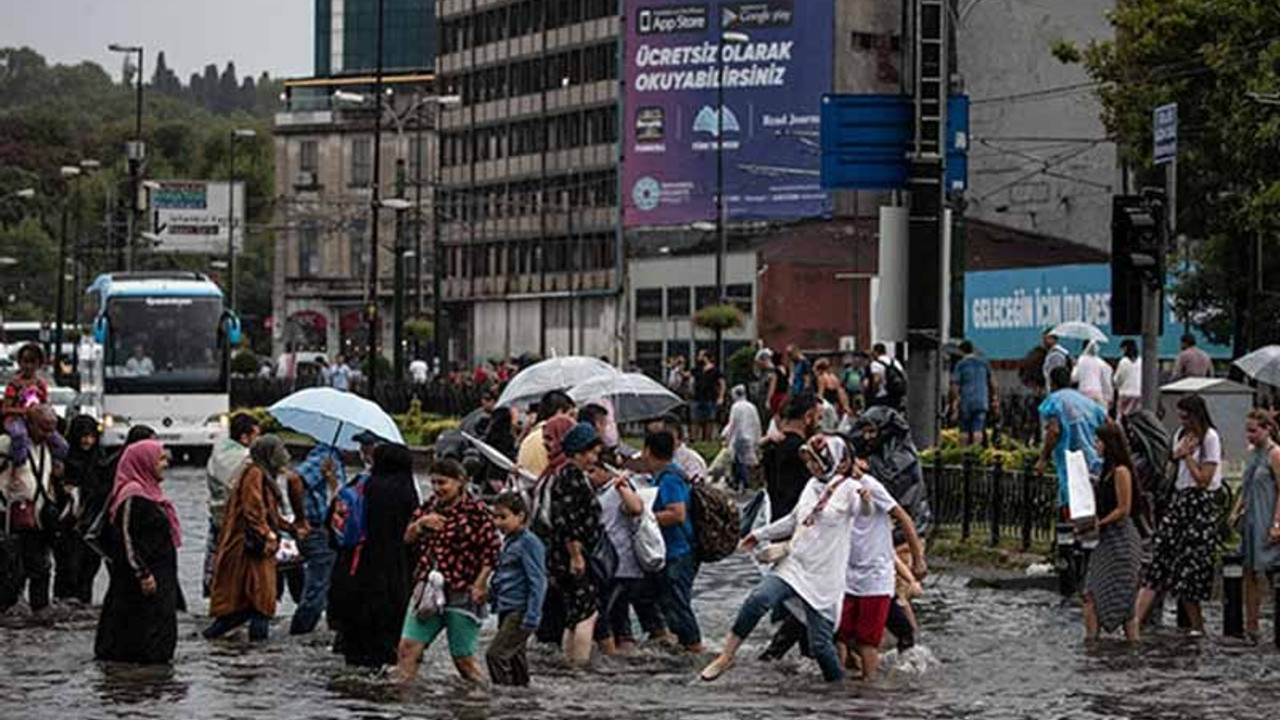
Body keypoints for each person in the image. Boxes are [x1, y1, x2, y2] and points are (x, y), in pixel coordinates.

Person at [699, 435, 865, 683]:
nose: (812, 466)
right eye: (809, 461)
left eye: (817, 461)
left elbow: (865, 510)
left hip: (824, 575)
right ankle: (726, 655)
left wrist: (868, 500)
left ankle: (840, 691)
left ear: (835, 461)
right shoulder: (811, 486)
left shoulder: (850, 489)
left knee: (820, 646)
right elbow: (794, 519)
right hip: (797, 562)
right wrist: (759, 534)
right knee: (758, 599)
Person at [396, 458, 499, 683]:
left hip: (463, 591)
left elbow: (491, 550)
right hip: (428, 589)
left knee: (463, 659)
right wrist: (421, 524)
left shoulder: (477, 512)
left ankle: (487, 699)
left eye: (442, 483)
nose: (437, 488)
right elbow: (407, 538)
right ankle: (403, 707)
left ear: (460, 482)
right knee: (407, 648)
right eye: (433, 483)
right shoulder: (429, 506)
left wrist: (481, 583)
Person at [1134, 394, 1223, 635]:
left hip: (1200, 504)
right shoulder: (1180, 435)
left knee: (1189, 571)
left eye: (1186, 416)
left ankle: (1197, 627)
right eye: (1180, 416)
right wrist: (1178, 454)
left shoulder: (1210, 439)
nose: (1183, 421)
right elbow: (1171, 466)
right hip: (1180, 500)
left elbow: (1204, 479)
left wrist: (1186, 456)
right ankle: (1136, 621)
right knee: (1158, 560)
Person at [328, 442, 420, 667]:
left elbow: (333, 521)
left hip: (357, 565)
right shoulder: (406, 490)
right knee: (388, 633)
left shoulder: (363, 485)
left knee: (357, 632)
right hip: (395, 568)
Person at [93, 440, 183, 663]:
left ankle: (151, 679)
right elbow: (125, 538)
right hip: (142, 580)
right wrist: (142, 573)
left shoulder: (150, 492)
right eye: (160, 459)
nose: (165, 464)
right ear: (144, 462)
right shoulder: (132, 494)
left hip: (158, 573)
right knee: (140, 632)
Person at [839, 460, 927, 679]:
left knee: (869, 638)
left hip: (876, 577)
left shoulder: (871, 487)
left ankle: (871, 684)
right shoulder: (834, 488)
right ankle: (855, 674)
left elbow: (903, 519)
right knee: (842, 633)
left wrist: (918, 561)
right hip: (849, 575)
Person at [205, 435, 297, 642]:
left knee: (248, 605)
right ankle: (259, 654)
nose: (285, 454)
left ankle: (218, 641)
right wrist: (269, 534)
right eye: (280, 449)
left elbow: (269, 513)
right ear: (269, 454)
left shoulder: (263, 475)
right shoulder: (255, 474)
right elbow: (253, 510)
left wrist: (290, 527)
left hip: (253, 548)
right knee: (261, 603)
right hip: (250, 549)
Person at [532, 421, 605, 667]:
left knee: (574, 614)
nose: (594, 459)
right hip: (572, 554)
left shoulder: (563, 473)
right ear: (578, 452)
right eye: (592, 453)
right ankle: (580, 664)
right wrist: (576, 555)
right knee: (587, 612)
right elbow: (568, 520)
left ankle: (569, 661)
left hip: (560, 554)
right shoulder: (572, 476)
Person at [643, 429, 705, 654]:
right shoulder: (666, 475)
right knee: (667, 601)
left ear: (648, 451)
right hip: (672, 551)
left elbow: (677, 513)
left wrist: (646, 518)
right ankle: (681, 644)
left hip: (679, 552)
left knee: (679, 603)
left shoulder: (670, 478)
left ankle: (695, 648)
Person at [1079, 422, 1141, 642]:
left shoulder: (1121, 471)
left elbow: (1123, 509)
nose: (1095, 445)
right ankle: (1093, 642)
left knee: (1125, 602)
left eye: (1098, 441)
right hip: (1107, 540)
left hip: (1121, 542)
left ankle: (1127, 646)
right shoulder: (1106, 470)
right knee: (1091, 593)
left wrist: (1101, 523)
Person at [0, 405, 60, 614]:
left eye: (52, 429)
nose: (48, 434)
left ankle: (40, 611)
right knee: (11, 569)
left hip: (38, 519)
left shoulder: (47, 447)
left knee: (41, 568)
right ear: (30, 425)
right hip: (10, 518)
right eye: (44, 429)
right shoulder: (8, 444)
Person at [487, 492, 548, 685]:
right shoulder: (509, 542)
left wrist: (533, 615)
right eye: (495, 517)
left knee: (495, 655)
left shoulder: (529, 542)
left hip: (520, 610)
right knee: (515, 658)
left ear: (520, 516)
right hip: (506, 608)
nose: (498, 523)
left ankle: (502, 698)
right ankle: (521, 700)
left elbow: (537, 580)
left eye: (503, 517)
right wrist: (492, 597)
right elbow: (503, 576)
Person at [1231, 410, 1280, 642]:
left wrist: (1277, 523)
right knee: (1249, 571)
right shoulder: (1251, 454)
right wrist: (1237, 509)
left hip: (1267, 515)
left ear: (1267, 429)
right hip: (1250, 517)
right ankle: (1252, 626)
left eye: (1254, 430)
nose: (1249, 435)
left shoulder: (1275, 454)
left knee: (1270, 570)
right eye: (1247, 430)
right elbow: (1246, 484)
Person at [284, 444, 343, 635]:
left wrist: (332, 483)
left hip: (329, 532)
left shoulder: (332, 459)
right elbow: (294, 479)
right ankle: (299, 634)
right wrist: (300, 518)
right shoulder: (326, 456)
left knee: (327, 588)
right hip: (318, 531)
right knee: (316, 592)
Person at [204, 413, 260, 597]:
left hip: (217, 516)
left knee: (219, 564)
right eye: (255, 436)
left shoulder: (217, 453)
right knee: (239, 569)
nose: (257, 440)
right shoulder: (246, 459)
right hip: (238, 522)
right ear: (244, 437)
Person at [1037, 367, 1108, 509]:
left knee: (1072, 502)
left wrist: (1043, 458)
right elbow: (1108, 425)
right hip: (1093, 460)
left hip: (1070, 460)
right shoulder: (1088, 402)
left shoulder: (1054, 400)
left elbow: (1054, 431)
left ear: (1052, 383)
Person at [60, 415, 110, 604]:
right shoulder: (64, 458)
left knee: (89, 569)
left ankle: (83, 605)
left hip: (92, 525)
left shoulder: (100, 458)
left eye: (91, 436)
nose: (87, 441)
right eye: (83, 436)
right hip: (69, 525)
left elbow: (103, 488)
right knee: (69, 568)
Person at [2, 344, 66, 467]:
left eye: (33, 362)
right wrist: (26, 412)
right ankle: (16, 466)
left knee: (62, 445)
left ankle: (51, 469)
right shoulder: (14, 384)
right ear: (19, 362)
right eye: (25, 362)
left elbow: (44, 404)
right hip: (16, 420)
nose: (28, 366)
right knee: (19, 435)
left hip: (37, 423)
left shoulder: (41, 385)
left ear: (39, 364)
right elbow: (5, 409)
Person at [761, 393, 820, 520]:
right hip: (801, 525)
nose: (819, 424)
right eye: (818, 418)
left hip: (776, 522)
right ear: (808, 417)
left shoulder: (770, 447)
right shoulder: (805, 453)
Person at [517, 390, 576, 477]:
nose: (573, 421)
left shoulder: (530, 437)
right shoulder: (554, 439)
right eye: (571, 415)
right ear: (559, 413)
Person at [950, 340, 997, 446]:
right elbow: (993, 382)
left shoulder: (961, 365)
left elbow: (955, 384)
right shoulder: (984, 363)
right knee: (978, 428)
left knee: (964, 429)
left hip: (966, 401)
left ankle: (964, 453)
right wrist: (994, 398)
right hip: (981, 400)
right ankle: (975, 452)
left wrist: (956, 399)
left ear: (961, 351)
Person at [722, 385, 763, 492]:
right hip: (750, 437)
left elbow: (732, 424)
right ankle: (739, 483)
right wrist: (758, 438)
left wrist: (726, 437)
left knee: (739, 461)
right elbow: (757, 423)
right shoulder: (751, 406)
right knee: (743, 461)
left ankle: (744, 483)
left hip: (740, 437)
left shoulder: (735, 407)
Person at [691, 350, 726, 443]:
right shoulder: (697, 369)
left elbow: (722, 383)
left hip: (710, 398)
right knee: (695, 420)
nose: (698, 357)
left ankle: (707, 440)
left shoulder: (715, 370)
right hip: (697, 398)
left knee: (709, 420)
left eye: (700, 355)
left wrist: (721, 396)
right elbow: (688, 375)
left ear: (705, 357)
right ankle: (694, 440)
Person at [1072, 341, 1114, 411]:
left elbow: (1074, 378)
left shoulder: (1081, 360)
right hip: (1097, 392)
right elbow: (1106, 380)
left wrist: (1074, 367)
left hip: (1083, 392)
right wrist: (1109, 396)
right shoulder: (1100, 362)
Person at [867, 343, 906, 411]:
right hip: (896, 397)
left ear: (876, 352)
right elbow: (903, 376)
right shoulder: (895, 362)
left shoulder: (875, 364)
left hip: (882, 397)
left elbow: (876, 380)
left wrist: (872, 393)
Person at [1113, 340, 1142, 416]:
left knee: (1121, 417)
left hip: (1125, 394)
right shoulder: (1141, 361)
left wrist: (1115, 385)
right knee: (1135, 416)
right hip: (1138, 394)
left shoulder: (1123, 362)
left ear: (1125, 348)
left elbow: (1117, 380)